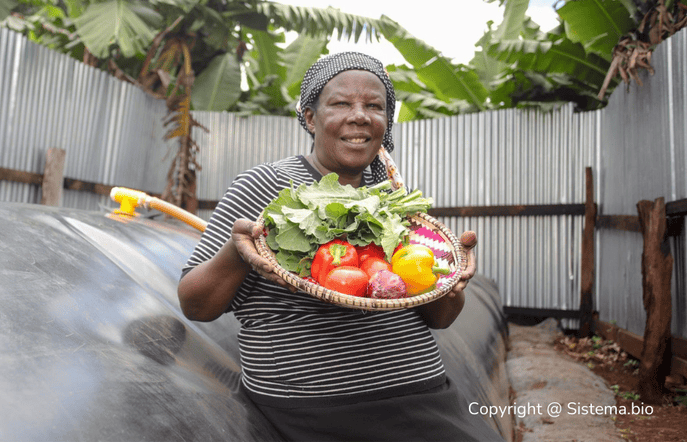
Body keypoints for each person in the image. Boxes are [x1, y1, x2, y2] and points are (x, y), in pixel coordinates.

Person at [178, 52, 503, 441]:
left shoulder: (393, 198)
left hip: (422, 395)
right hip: (313, 411)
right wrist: (238, 251)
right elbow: (195, 305)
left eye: (374, 106)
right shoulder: (265, 186)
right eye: (341, 103)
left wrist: (449, 281)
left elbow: (441, 318)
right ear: (311, 118)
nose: (360, 116)